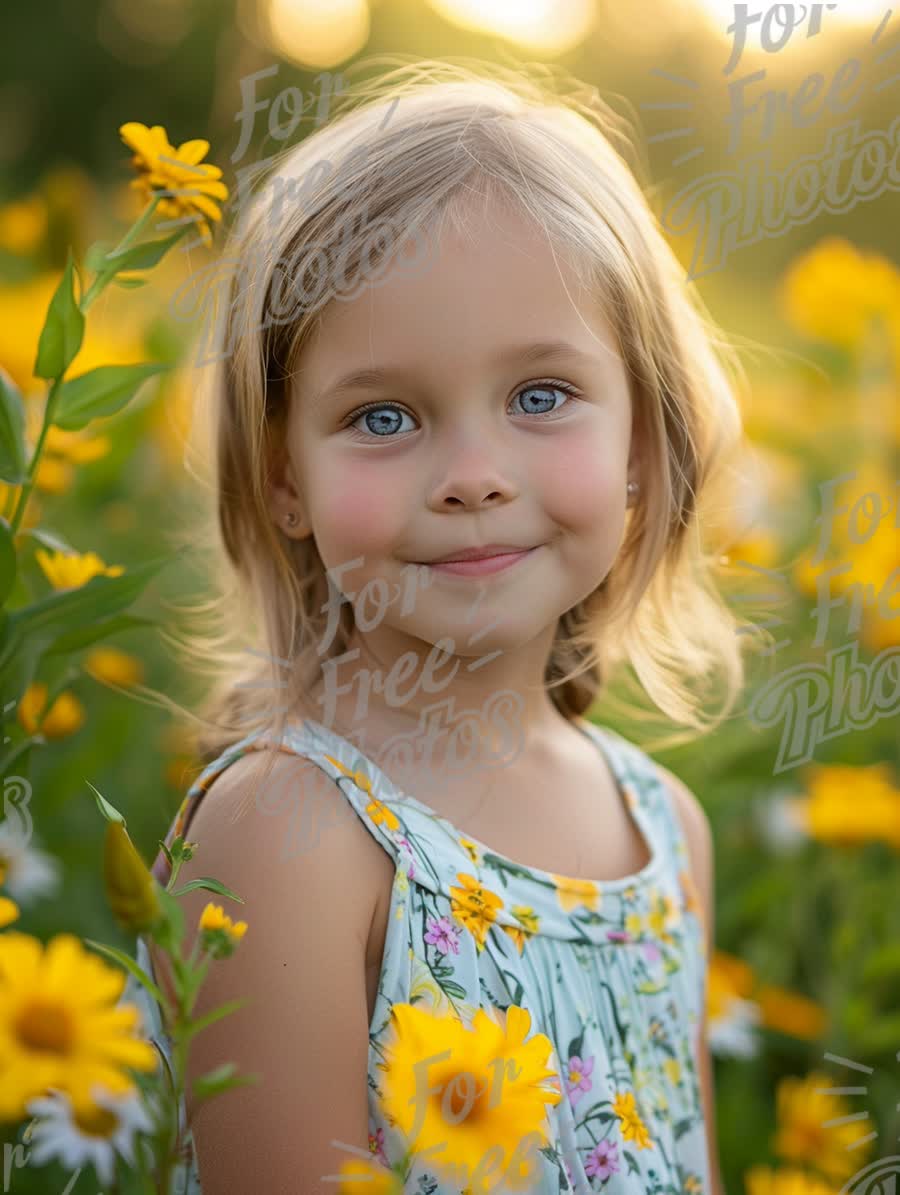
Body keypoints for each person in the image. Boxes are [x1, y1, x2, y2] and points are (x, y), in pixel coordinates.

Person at [139, 59, 757, 1194]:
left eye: (539, 395)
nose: (473, 476)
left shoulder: (665, 830)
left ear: (639, 436)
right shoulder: (287, 838)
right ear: (285, 479)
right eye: (385, 415)